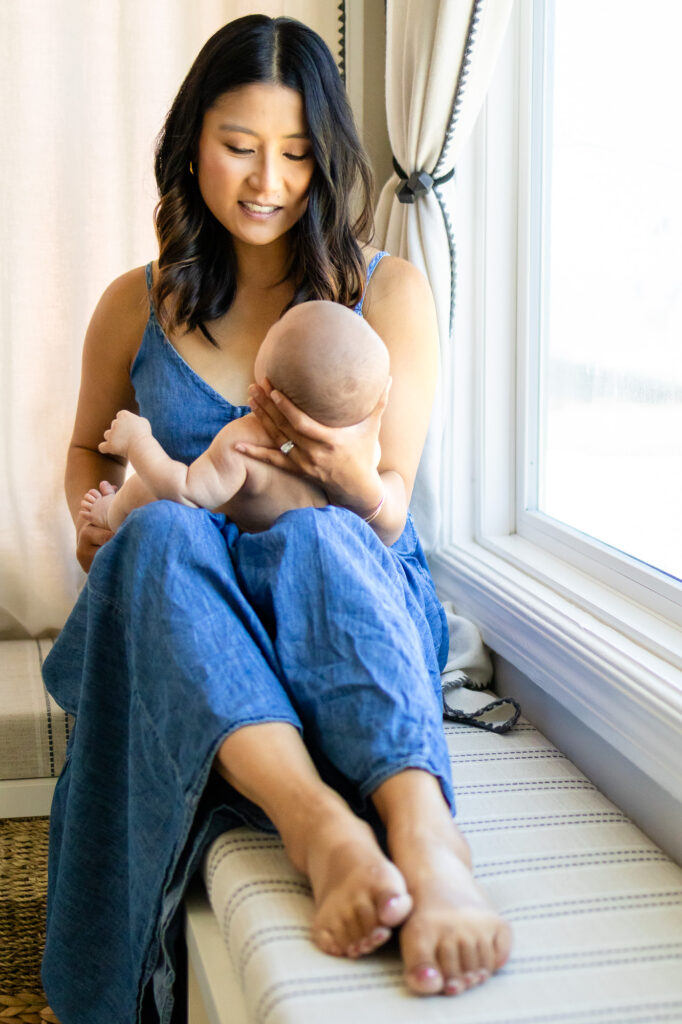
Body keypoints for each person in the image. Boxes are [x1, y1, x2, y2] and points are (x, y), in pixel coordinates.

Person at [41, 14, 511, 1024]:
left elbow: (383, 513)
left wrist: (344, 471)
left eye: (296, 153)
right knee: (162, 532)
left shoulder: (384, 293)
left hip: (338, 590)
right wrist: (92, 521)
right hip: (187, 610)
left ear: (326, 158)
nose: (267, 181)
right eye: (239, 147)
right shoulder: (138, 303)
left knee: (315, 528)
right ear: (189, 145)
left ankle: (426, 836)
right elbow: (90, 445)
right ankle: (320, 831)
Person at [79, 301, 389, 534]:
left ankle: (110, 513)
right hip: (308, 555)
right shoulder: (360, 451)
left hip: (239, 554)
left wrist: (138, 442)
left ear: (267, 375)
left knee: (145, 492)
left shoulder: (246, 439)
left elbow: (186, 493)